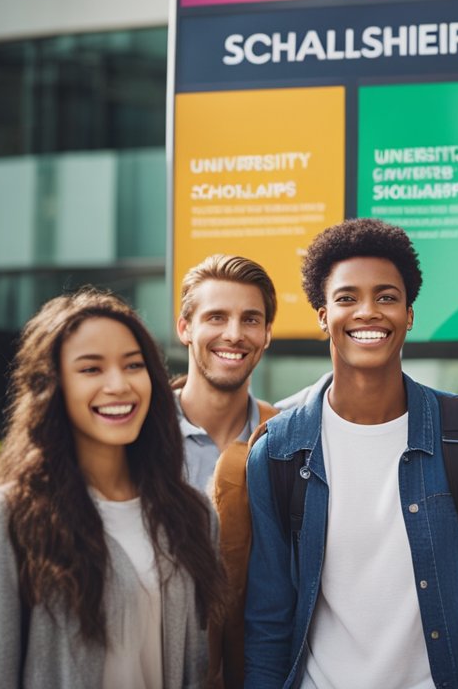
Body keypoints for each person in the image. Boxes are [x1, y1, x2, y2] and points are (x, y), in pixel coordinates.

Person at [244, 218, 458, 689]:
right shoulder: (277, 452)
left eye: (386, 297)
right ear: (321, 315)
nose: (368, 312)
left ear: (409, 313)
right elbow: (269, 623)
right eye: (347, 298)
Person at [0, 289, 223, 687]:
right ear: (52, 386)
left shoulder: (192, 514)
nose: (118, 385)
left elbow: (197, 662)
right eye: (91, 369)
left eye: (133, 365)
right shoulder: (7, 518)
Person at [176, 254, 279, 687]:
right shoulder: (135, 440)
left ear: (268, 334)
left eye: (250, 320)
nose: (234, 335)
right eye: (216, 317)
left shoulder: (286, 443)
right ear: (185, 328)